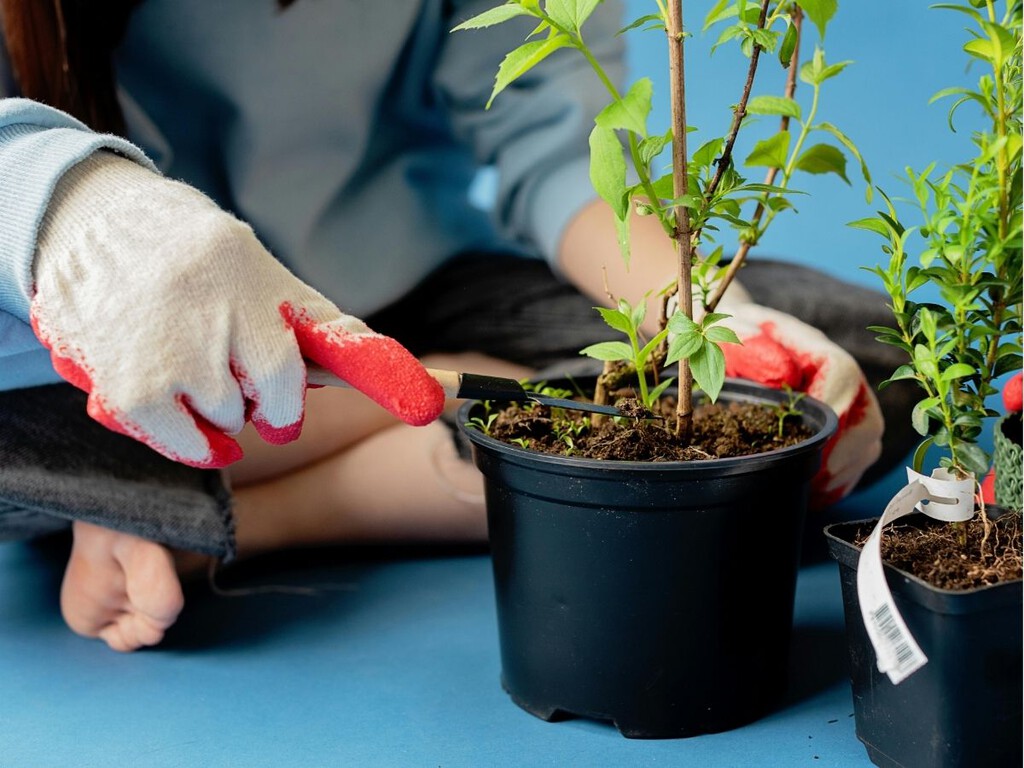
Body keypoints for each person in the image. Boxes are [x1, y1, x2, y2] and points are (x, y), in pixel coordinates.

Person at [0, 0, 900, 652]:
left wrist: (712, 321)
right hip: (108, 343)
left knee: (866, 350)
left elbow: (561, 149)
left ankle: (223, 513)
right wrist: (74, 211)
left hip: (401, 281)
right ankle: (464, 414)